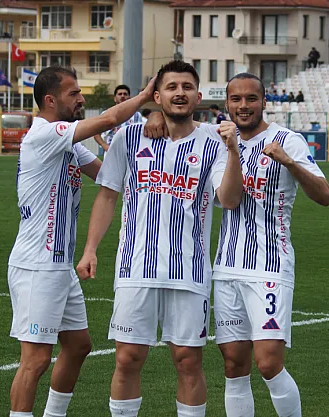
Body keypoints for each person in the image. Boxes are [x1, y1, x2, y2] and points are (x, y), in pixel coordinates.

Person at [75, 60, 244, 417]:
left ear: (198, 96)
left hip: (189, 270)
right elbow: (107, 196)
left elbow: (229, 200)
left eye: (187, 87)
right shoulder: (129, 138)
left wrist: (233, 152)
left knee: (188, 361)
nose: (180, 93)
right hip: (135, 267)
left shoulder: (214, 142)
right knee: (127, 357)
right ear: (157, 96)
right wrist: (90, 249)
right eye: (171, 87)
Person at [7, 66, 156, 417]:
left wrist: (154, 136)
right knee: (36, 359)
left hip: (59, 266)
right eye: (73, 93)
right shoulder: (45, 134)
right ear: (50, 100)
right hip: (37, 265)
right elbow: (107, 120)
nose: (81, 98)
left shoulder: (69, 145)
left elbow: (108, 175)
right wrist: (145, 98)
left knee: (78, 346)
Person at [212, 73, 329, 417]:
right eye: (236, 99)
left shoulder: (287, 140)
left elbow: (324, 195)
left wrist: (289, 162)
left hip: (270, 266)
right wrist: (232, 149)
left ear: (264, 102)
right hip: (227, 267)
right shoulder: (219, 142)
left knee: (267, 363)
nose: (243, 106)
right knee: (234, 365)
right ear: (227, 104)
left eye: (251, 98)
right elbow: (229, 200)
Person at [93, 84, 145, 153]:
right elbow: (96, 134)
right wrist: (105, 146)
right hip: (112, 152)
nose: (122, 96)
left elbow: (140, 134)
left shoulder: (136, 115)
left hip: (130, 152)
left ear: (129, 98)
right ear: (115, 98)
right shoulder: (106, 114)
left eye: (125, 94)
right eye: (120, 94)